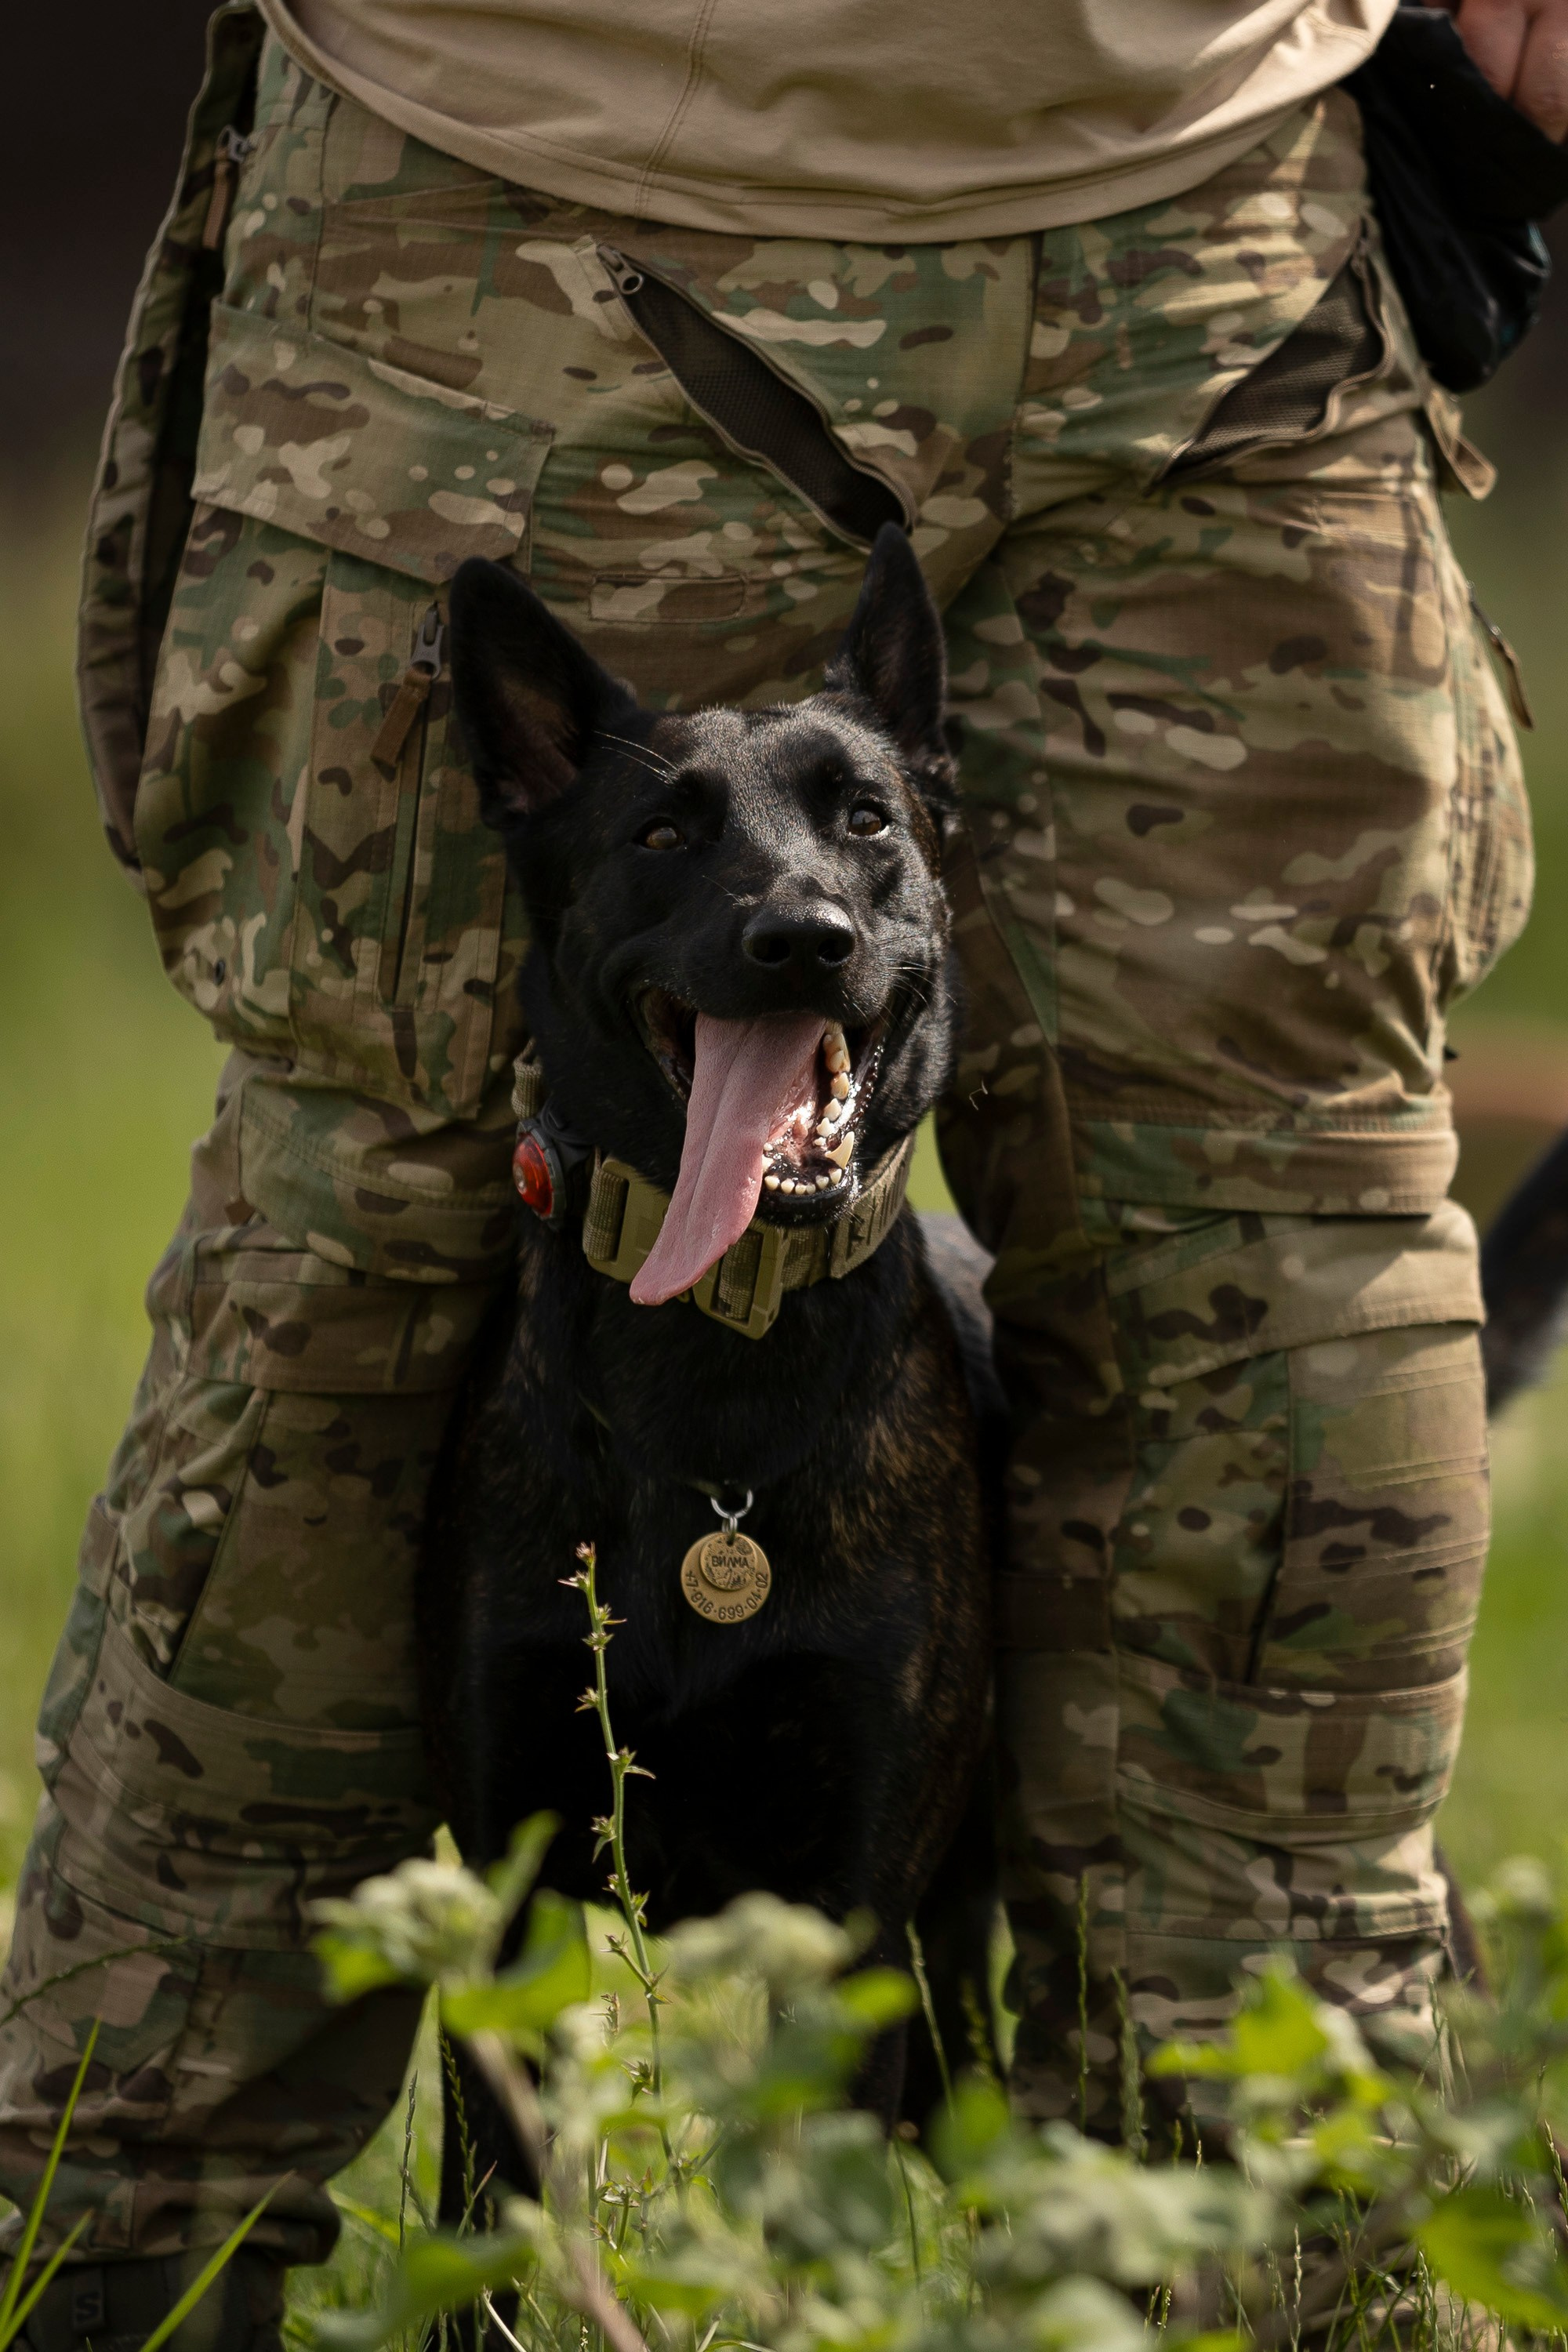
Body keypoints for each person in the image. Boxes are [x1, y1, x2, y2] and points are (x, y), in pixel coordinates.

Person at [1, 0, 1560, 2339]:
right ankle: (110, 2261)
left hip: (1210, 229)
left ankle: (1290, 2261)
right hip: (532, 188)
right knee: (357, 1280)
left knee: (1292, 1280)